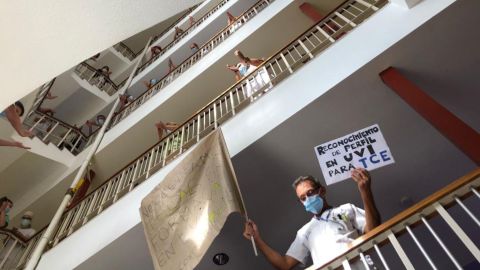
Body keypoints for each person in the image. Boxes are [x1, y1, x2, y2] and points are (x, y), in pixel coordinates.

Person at [243, 168, 381, 269]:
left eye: (310, 193)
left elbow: (374, 229)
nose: (307, 199)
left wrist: (365, 191)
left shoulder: (346, 209)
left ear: (322, 190)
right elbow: (284, 264)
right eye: (302, 198)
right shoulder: (304, 232)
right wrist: (257, 239)